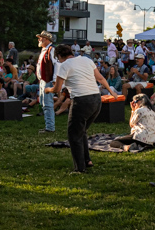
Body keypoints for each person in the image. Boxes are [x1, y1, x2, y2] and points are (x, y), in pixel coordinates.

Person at [44, 44, 117, 173]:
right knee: (81, 130)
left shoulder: (64, 65)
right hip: (96, 99)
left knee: (74, 135)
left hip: (81, 100)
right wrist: (112, 92)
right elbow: (99, 78)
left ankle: (80, 168)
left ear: (59, 56)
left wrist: (48, 90)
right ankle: (87, 160)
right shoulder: (86, 59)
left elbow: (57, 88)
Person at [36, 30, 58, 134]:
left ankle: (50, 127)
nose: (39, 39)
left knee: (47, 104)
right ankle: (48, 125)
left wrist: (54, 80)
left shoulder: (51, 50)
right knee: (44, 103)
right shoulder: (45, 50)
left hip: (48, 80)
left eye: (40, 38)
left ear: (45, 39)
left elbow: (56, 65)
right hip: (43, 80)